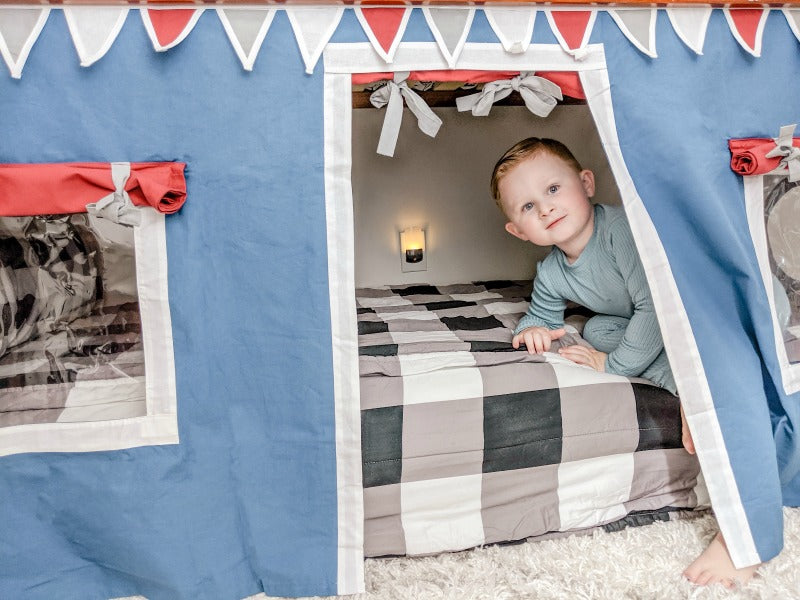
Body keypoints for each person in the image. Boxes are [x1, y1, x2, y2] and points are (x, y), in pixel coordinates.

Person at [490, 137, 760, 588]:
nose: (546, 209)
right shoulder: (553, 270)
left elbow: (656, 307)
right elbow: (542, 314)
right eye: (528, 207)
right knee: (595, 330)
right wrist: (533, 329)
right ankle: (676, 379)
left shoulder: (620, 232)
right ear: (519, 231)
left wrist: (612, 367)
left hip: (708, 304)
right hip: (650, 319)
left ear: (586, 183)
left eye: (554, 190)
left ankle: (742, 529)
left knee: (616, 344)